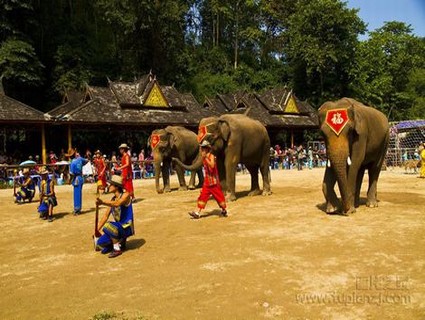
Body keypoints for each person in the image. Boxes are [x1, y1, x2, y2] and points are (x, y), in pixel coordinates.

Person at [95, 175, 135, 258]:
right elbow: (105, 216)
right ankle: (120, 242)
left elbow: (118, 203)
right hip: (118, 227)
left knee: (108, 226)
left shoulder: (126, 195)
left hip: (126, 226)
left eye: (110, 185)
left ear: (116, 186)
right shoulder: (112, 199)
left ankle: (117, 249)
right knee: (100, 243)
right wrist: (96, 230)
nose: (108, 186)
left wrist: (102, 202)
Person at [188, 140, 227, 219]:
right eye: (202, 148)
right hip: (207, 182)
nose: (202, 150)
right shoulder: (203, 157)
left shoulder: (211, 156)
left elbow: (212, 166)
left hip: (214, 182)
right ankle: (197, 212)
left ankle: (223, 209)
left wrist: (205, 157)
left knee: (219, 197)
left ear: (207, 149)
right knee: (202, 196)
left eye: (203, 148)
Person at [66, 147, 89, 215]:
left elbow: (72, 174)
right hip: (81, 178)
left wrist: (69, 181)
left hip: (76, 179)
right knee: (79, 193)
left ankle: (77, 209)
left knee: (76, 194)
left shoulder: (72, 163)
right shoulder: (80, 159)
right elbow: (87, 161)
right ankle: (78, 208)